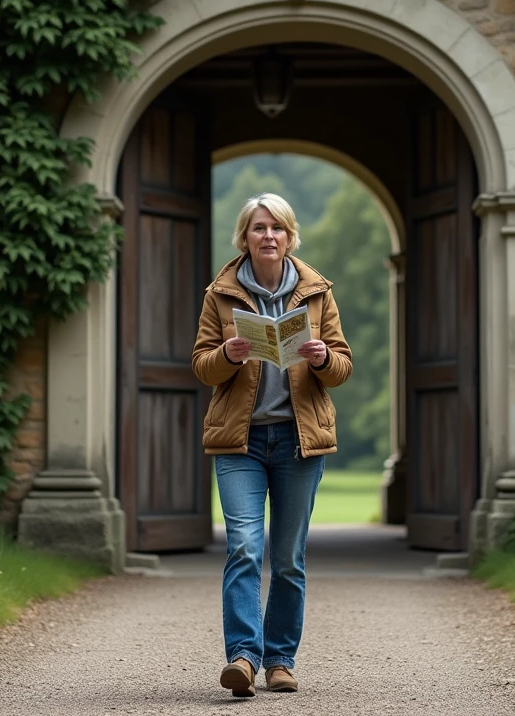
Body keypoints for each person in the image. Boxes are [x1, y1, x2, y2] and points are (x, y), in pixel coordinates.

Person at [191, 192, 353, 698]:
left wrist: (323, 358)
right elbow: (202, 366)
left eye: (277, 228)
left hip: (298, 441)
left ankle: (280, 660)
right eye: (259, 228)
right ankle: (243, 656)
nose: (268, 236)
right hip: (239, 442)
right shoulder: (220, 294)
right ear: (245, 237)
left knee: (287, 558)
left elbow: (343, 367)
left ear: (289, 236)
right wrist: (228, 354)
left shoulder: (317, 294)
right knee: (243, 546)